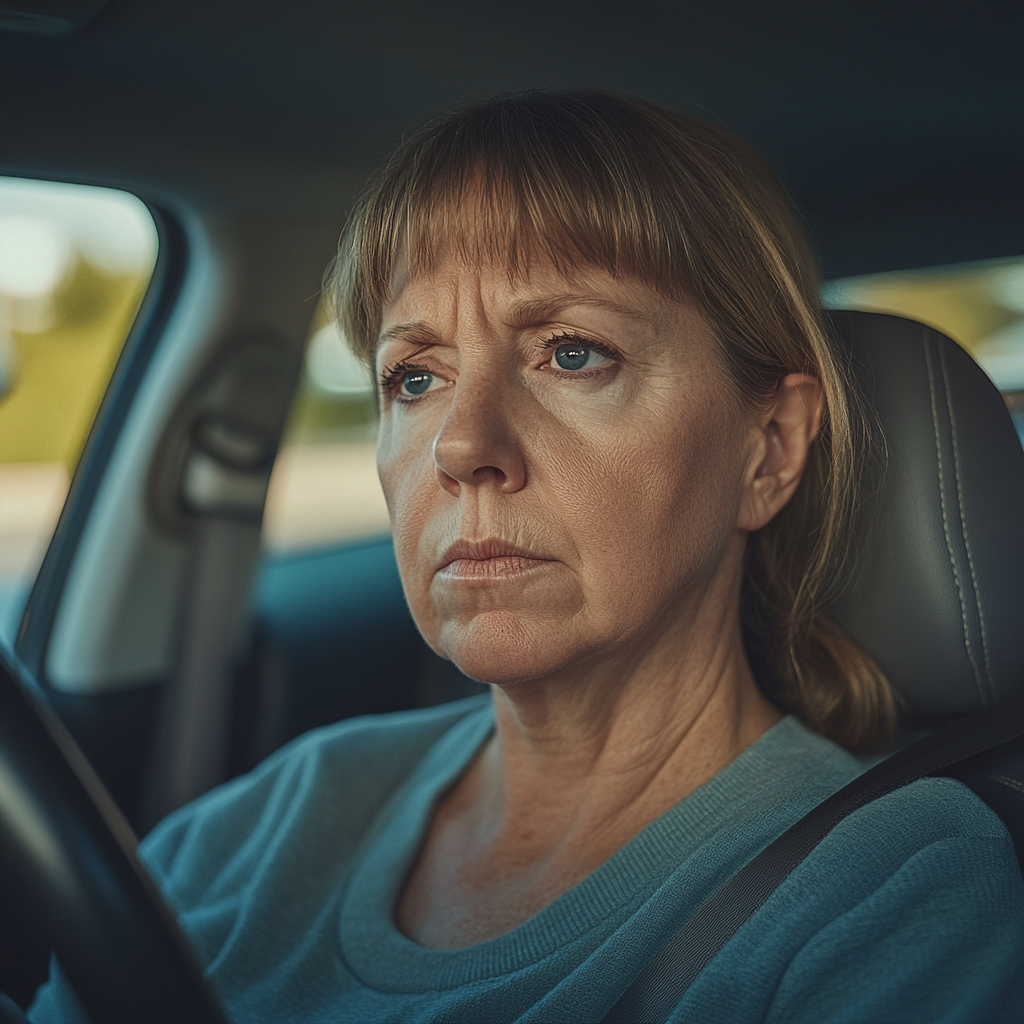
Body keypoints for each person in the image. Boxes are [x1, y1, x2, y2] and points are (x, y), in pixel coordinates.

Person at [31, 90, 1024, 1023]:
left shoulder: (898, 891)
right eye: (415, 376)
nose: (461, 447)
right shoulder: (263, 822)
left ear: (768, 448)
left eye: (572, 352)